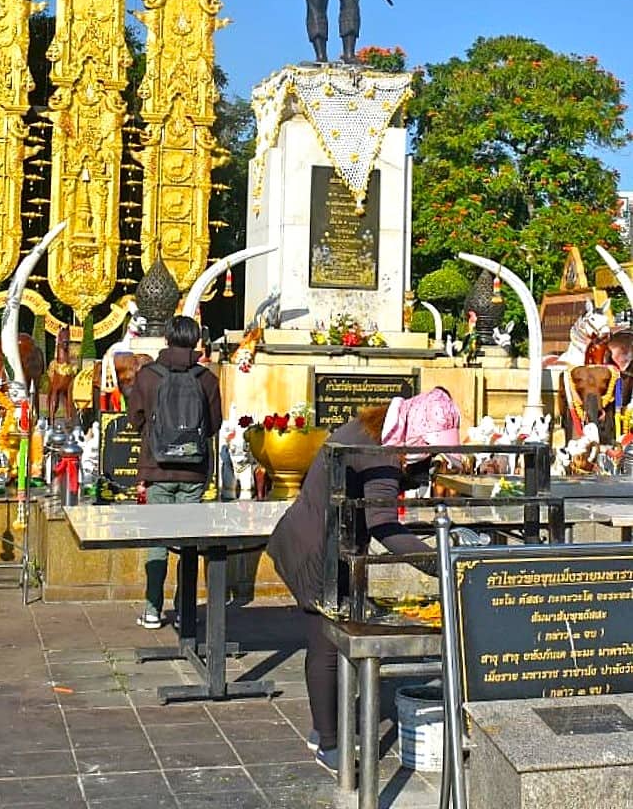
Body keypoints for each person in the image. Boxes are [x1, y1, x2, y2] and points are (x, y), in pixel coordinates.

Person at [266, 387, 461, 775]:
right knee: (324, 640)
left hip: (326, 539)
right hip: (314, 551)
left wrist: (414, 474)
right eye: (427, 451)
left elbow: (370, 492)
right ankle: (329, 742)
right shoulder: (378, 453)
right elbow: (384, 526)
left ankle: (329, 725)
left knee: (334, 640)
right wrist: (444, 562)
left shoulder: (371, 431)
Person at [128, 314, 223, 628]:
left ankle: (153, 609)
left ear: (166, 339)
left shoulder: (148, 376)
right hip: (193, 472)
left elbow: (136, 418)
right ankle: (185, 610)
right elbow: (214, 425)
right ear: (196, 340)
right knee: (187, 543)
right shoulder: (206, 379)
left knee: (158, 541)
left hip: (157, 468)